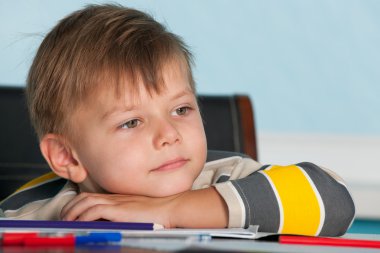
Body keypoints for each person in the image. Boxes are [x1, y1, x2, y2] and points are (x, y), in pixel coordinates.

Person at [0, 4, 355, 236]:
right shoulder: (29, 214)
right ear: (67, 157)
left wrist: (170, 209)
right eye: (132, 122)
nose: (169, 134)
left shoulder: (231, 175)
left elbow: (335, 201)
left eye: (181, 110)